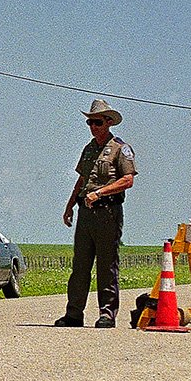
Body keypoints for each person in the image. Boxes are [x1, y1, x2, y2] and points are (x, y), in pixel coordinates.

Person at [56, 100, 137, 328]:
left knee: (106, 264)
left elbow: (128, 180)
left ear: (108, 122)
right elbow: (82, 179)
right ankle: (74, 313)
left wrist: (100, 193)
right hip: (86, 212)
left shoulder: (121, 148)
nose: (93, 126)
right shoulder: (89, 148)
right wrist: (70, 204)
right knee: (80, 265)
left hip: (108, 211)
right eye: (90, 122)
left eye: (97, 122)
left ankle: (107, 313)